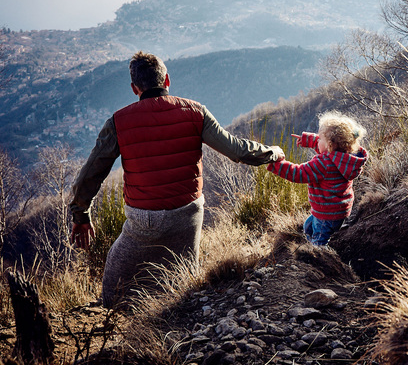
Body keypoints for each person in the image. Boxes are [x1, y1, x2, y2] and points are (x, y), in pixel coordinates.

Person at [69, 51, 285, 308]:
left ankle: (127, 320)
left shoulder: (118, 122)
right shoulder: (196, 112)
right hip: (188, 215)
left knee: (113, 289)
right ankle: (184, 318)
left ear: (134, 88)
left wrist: (81, 215)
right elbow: (237, 150)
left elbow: (91, 174)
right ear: (167, 80)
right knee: (183, 279)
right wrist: (272, 152)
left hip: (144, 221)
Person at [267, 111, 368, 246]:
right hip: (340, 209)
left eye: (319, 138)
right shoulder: (345, 158)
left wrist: (276, 164)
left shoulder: (323, 164)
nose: (317, 139)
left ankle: (319, 254)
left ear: (329, 145)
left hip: (326, 214)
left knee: (319, 241)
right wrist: (309, 140)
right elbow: (327, 146)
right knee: (308, 227)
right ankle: (328, 234)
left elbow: (299, 173)